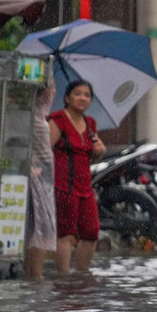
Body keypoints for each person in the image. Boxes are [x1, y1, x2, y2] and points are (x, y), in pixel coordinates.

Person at [48, 80, 105, 273]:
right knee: (66, 233)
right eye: (77, 93)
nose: (82, 98)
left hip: (85, 186)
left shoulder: (90, 124)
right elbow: (44, 151)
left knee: (91, 232)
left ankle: (82, 276)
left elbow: (90, 156)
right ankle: (63, 278)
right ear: (67, 98)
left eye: (87, 95)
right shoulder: (58, 120)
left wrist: (99, 151)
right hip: (62, 184)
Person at [24, 84, 57, 279]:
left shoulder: (38, 116)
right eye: (51, 88)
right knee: (41, 228)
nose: (54, 92)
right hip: (37, 177)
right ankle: (35, 273)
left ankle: (33, 272)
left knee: (38, 228)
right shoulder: (33, 118)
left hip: (42, 176)